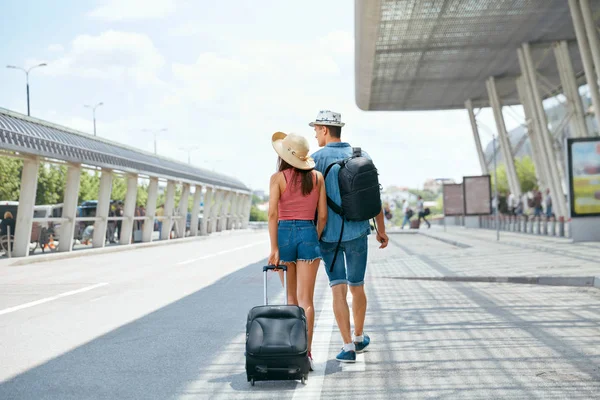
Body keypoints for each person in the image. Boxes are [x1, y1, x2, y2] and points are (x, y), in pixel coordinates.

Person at [310, 110, 389, 363]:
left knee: (338, 290)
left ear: (324, 130)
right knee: (357, 287)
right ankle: (359, 336)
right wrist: (381, 230)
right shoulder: (361, 155)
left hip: (328, 237)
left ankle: (347, 347)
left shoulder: (314, 160)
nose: (314, 133)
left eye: (316, 128)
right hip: (358, 232)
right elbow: (373, 197)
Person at [267, 131, 328, 372]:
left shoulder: (277, 178)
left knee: (290, 299)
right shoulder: (317, 178)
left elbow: (272, 214)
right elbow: (322, 215)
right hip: (308, 232)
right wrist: (315, 234)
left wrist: (274, 247)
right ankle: (307, 353)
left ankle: (292, 350)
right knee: (307, 301)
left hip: (283, 236)